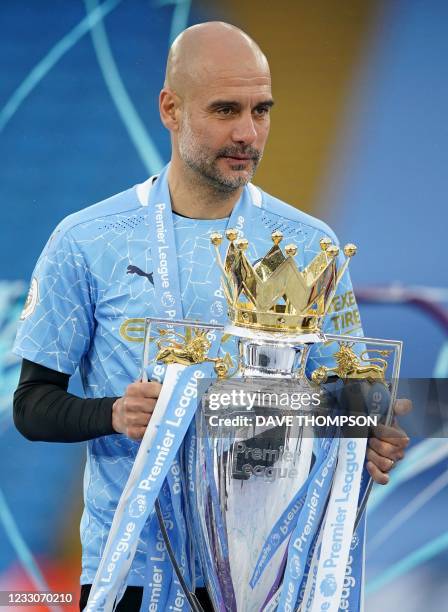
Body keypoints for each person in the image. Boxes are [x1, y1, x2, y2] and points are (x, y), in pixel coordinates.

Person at [13, 22, 410, 611]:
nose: (248, 133)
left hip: (271, 575)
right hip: (133, 571)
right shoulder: (87, 239)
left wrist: (368, 436)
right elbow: (32, 405)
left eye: (261, 110)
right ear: (171, 109)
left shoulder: (312, 245)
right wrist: (114, 413)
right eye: (226, 110)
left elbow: (343, 399)